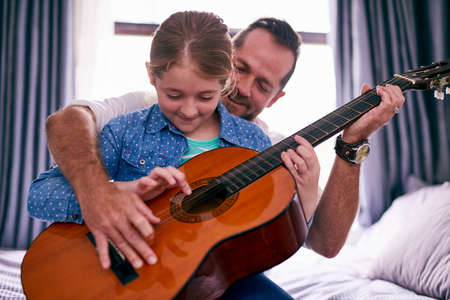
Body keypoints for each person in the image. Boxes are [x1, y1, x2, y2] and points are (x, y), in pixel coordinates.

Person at [35, 14, 404, 299]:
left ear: (276, 99)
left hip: (220, 283)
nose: (242, 88)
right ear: (226, 61)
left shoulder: (265, 147)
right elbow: (66, 124)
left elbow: (323, 243)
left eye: (263, 85)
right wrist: (104, 193)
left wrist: (350, 144)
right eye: (241, 68)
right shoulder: (140, 116)